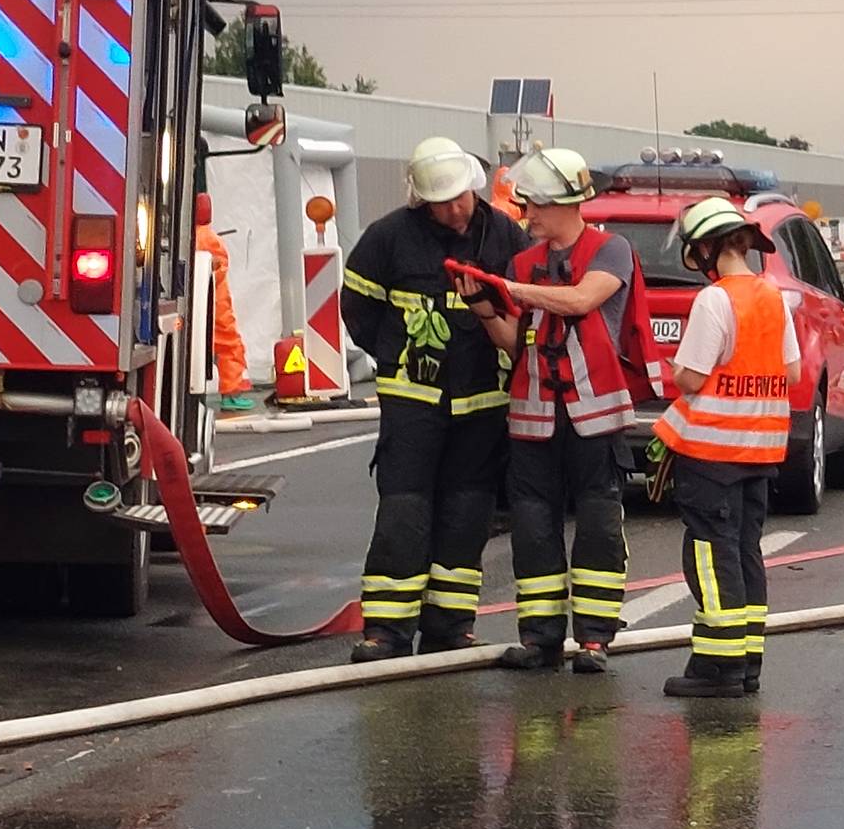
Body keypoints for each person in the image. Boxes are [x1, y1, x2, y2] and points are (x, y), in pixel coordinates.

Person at [475, 148, 662, 674]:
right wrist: (485, 306)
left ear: (562, 204)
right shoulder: (521, 263)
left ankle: (596, 639)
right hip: (533, 414)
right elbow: (517, 344)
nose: (527, 217)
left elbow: (582, 301)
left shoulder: (611, 250)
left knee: (599, 522)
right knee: (533, 526)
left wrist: (510, 289)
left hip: (595, 414)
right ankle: (540, 638)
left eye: (533, 206)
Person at [341, 137, 528, 663]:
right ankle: (387, 632)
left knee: (468, 513)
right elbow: (358, 309)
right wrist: (394, 356)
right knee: (404, 511)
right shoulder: (388, 239)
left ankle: (450, 626)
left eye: (461, 197)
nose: (455, 209)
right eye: (442, 201)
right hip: (413, 402)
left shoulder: (504, 236)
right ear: (420, 199)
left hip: (482, 401)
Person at [650, 196, 800, 698]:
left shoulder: (715, 300)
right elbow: (793, 371)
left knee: (711, 557)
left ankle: (718, 666)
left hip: (712, 454)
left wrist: (674, 366)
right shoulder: (772, 296)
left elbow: (690, 378)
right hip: (760, 452)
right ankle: (748, 660)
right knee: (744, 550)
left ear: (708, 249)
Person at [191, 193, 254, 412]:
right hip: (218, 305)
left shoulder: (186, 236)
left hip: (196, 304)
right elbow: (219, 270)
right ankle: (232, 392)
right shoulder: (210, 238)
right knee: (230, 346)